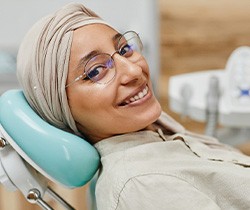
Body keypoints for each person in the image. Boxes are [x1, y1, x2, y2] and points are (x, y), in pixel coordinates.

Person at [16, 3, 250, 210]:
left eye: (125, 49)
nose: (134, 70)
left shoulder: (156, 135)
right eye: (96, 71)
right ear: (61, 108)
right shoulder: (143, 186)